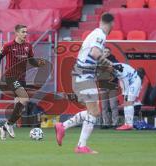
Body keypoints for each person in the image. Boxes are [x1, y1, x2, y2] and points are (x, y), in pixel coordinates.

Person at [54, 12, 114, 154]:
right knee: (94, 112)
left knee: (92, 111)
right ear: (111, 23)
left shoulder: (94, 33)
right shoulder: (100, 35)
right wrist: (108, 63)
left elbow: (90, 56)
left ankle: (63, 126)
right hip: (83, 75)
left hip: (82, 75)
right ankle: (81, 145)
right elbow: (94, 53)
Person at [0, 24, 45, 140]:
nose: (25, 34)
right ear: (16, 33)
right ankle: (9, 124)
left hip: (22, 79)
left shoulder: (28, 46)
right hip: (11, 77)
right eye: (23, 32)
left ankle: (6, 126)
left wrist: (39, 63)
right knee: (25, 99)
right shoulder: (8, 46)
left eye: (26, 32)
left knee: (20, 106)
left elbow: (31, 61)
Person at [108, 63, 142, 131]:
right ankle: (127, 124)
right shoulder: (114, 67)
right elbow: (121, 81)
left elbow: (126, 82)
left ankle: (129, 124)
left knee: (128, 102)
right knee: (126, 103)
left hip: (134, 82)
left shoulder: (120, 70)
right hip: (130, 81)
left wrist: (125, 94)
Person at [97, 47, 119, 129]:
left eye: (108, 52)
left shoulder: (114, 60)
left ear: (110, 53)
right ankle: (106, 123)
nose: (106, 53)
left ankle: (115, 123)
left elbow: (115, 68)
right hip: (103, 85)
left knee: (113, 105)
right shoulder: (99, 61)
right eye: (104, 51)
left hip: (112, 85)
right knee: (104, 106)